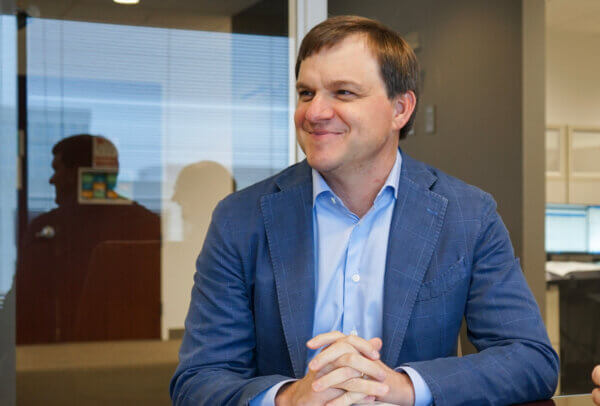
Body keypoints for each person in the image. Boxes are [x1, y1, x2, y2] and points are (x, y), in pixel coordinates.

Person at [170, 16, 558, 406]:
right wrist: (288, 398)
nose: (314, 112)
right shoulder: (240, 218)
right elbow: (199, 380)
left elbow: (530, 359)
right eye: (306, 93)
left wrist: (404, 388)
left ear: (400, 109)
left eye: (343, 93)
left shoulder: (468, 214)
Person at [17, 134, 160, 343]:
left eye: (57, 169)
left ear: (76, 174)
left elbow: (25, 307)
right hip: (142, 355)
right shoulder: (149, 224)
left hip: (62, 359)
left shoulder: (47, 230)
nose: (51, 179)